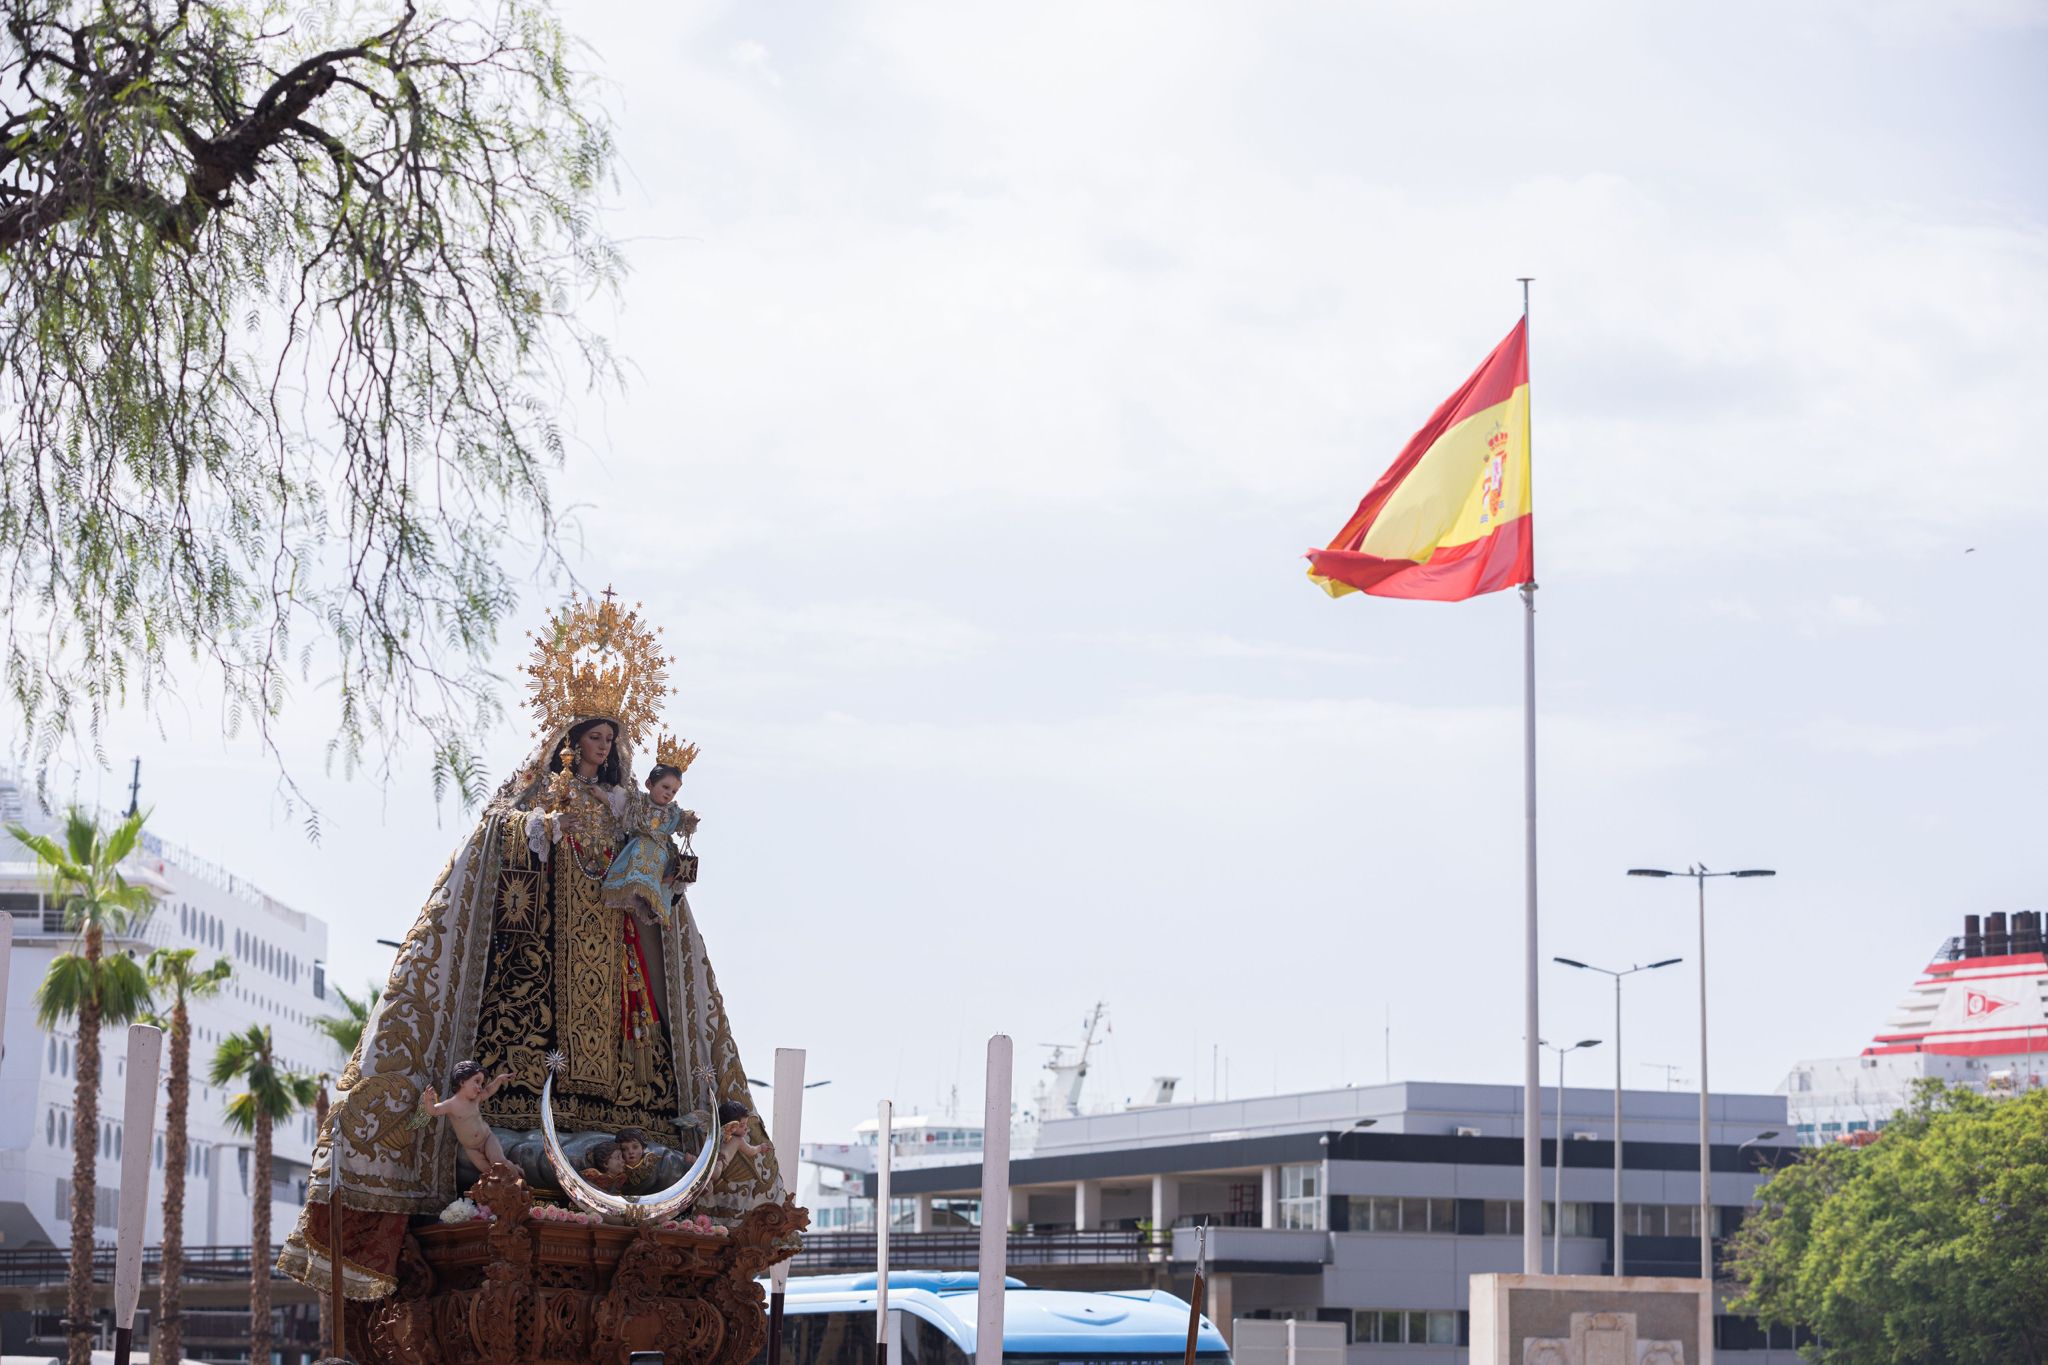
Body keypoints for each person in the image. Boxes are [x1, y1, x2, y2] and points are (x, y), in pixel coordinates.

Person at [278, 594, 789, 1303]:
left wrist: (668, 864)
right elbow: (494, 838)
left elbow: (659, 879)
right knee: (528, 1065)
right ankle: (541, 1123)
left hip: (612, 958)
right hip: (541, 965)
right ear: (572, 737)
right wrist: (534, 832)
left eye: (613, 740)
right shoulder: (535, 795)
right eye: (594, 738)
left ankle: (630, 1133)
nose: (603, 750)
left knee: (627, 1043)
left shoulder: (626, 808)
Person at [420, 1061, 514, 1173]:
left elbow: (488, 1090)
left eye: (481, 1084)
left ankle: (518, 1178)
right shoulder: (451, 1105)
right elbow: (434, 1111)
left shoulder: (476, 1098)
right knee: (487, 1171)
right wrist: (427, 1100)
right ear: (462, 1081)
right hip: (471, 1148)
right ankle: (499, 1188)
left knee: (498, 1161)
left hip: (487, 1138)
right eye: (477, 1081)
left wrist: (499, 1080)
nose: (480, 1087)